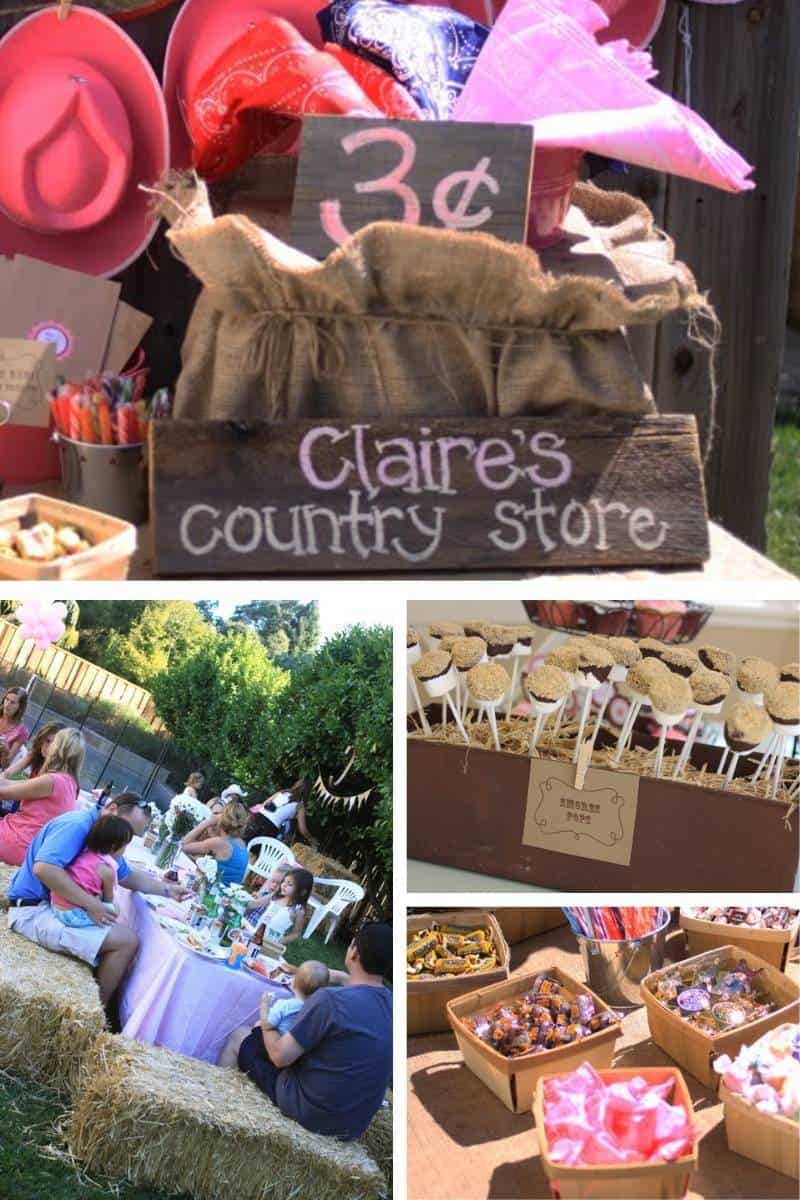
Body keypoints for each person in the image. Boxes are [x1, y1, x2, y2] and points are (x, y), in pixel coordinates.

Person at [6, 792, 189, 1007]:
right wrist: (91, 904)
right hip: (32, 911)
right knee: (126, 942)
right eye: (127, 829)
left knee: (117, 927)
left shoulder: (105, 833)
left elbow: (126, 875)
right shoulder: (76, 826)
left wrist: (168, 890)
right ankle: (94, 1015)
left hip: (51, 907)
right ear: (112, 809)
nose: (126, 839)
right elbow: (44, 868)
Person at [221, 922, 393, 1140]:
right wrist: (335, 975)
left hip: (310, 1112)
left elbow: (280, 1056)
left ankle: (218, 1112)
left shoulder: (330, 1000)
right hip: (352, 1128)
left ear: (354, 952)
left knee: (241, 1036)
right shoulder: (393, 1005)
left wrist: (265, 1020)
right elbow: (363, 986)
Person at [0, 727, 84, 866]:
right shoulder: (69, 782)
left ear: (59, 748)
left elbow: (3, 792)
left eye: (54, 742)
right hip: (29, 842)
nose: (49, 745)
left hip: (19, 842)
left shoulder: (53, 780)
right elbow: (11, 783)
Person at [51, 813, 133, 928]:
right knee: (116, 910)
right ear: (114, 846)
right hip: (71, 915)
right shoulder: (107, 871)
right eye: (125, 846)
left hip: (55, 903)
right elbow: (107, 902)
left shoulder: (85, 853)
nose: (125, 850)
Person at [180, 797, 250, 886]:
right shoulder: (242, 845)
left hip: (212, 894)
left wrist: (207, 822)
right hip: (225, 896)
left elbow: (184, 845)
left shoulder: (219, 843)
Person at [252, 866, 314, 945]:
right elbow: (255, 904)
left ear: (302, 892)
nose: (284, 885)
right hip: (255, 934)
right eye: (284, 881)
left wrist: (278, 942)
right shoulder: (275, 896)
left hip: (270, 944)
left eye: (290, 884)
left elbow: (296, 933)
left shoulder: (298, 910)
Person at [245, 779, 316, 847]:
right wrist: (311, 839)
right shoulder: (300, 806)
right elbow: (303, 829)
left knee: (243, 842)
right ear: (308, 792)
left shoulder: (282, 792)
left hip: (257, 817)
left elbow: (264, 804)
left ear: (296, 785)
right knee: (257, 851)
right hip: (270, 827)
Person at [266, 960, 330, 1035]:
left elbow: (268, 1024)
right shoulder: (317, 1011)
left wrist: (265, 1006)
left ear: (293, 984)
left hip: (274, 1040)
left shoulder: (285, 1005)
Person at [245, 861, 290, 926]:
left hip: (256, 930)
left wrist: (262, 899)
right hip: (246, 923)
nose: (274, 885)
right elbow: (249, 907)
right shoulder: (264, 893)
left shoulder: (280, 904)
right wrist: (253, 898)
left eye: (278, 883)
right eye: (273, 881)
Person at [0, 686, 31, 760]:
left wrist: (6, 751)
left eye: (12, 702)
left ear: (20, 707)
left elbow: (5, 766)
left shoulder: (22, 732)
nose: (7, 705)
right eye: (7, 699)